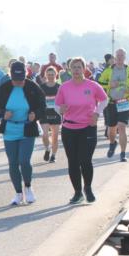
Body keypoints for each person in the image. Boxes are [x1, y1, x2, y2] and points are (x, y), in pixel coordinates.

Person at [0, 61, 46, 206]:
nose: (18, 83)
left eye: (21, 80)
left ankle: (28, 187)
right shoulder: (4, 88)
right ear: (11, 76)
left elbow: (42, 105)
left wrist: (35, 114)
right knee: (13, 163)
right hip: (10, 130)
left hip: (27, 129)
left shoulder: (33, 87)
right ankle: (18, 193)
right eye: (15, 80)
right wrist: (3, 114)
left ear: (25, 75)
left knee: (24, 161)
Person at [56, 57, 108, 204]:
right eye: (74, 67)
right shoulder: (64, 87)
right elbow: (57, 105)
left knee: (85, 160)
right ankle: (77, 192)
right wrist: (60, 109)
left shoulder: (92, 85)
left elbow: (104, 100)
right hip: (69, 128)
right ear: (70, 70)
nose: (77, 70)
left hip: (87, 127)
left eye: (79, 67)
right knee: (73, 161)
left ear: (84, 69)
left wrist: (97, 113)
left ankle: (88, 188)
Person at [98, 48, 129, 162]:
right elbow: (100, 83)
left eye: (122, 55)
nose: (120, 57)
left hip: (124, 101)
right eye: (118, 55)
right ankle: (112, 143)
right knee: (111, 131)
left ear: (125, 57)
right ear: (115, 57)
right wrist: (109, 84)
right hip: (111, 102)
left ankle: (123, 153)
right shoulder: (108, 71)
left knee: (122, 127)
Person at [38, 66, 62, 163]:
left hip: (56, 113)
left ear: (56, 75)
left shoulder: (59, 87)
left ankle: (53, 155)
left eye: (52, 74)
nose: (51, 76)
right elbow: (38, 100)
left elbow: (64, 99)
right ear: (46, 75)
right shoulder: (42, 87)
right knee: (45, 135)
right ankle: (47, 148)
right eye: (49, 75)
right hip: (44, 113)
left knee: (55, 137)